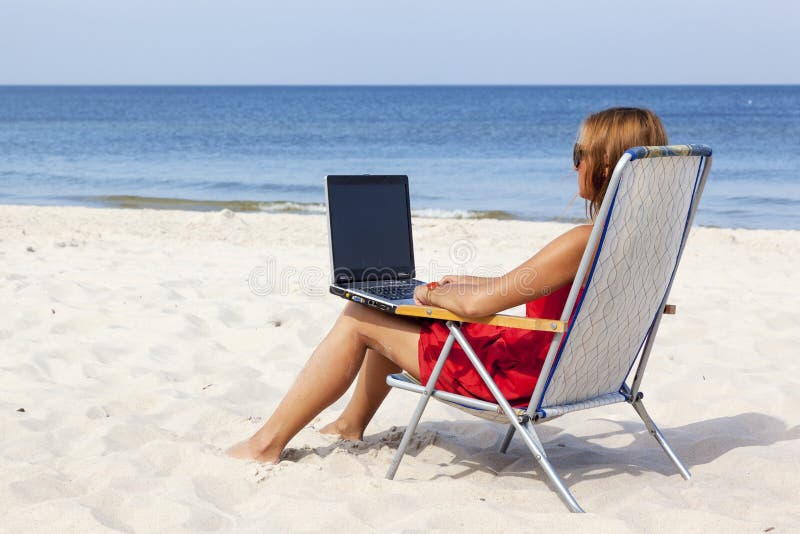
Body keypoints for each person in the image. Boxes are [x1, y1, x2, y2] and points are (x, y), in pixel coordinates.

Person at [227, 107, 669, 463]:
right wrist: (472, 282)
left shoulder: (582, 240)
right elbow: (534, 287)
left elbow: (477, 308)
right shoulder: (642, 240)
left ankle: (265, 444)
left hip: (519, 379)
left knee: (362, 314)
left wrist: (431, 294)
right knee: (387, 314)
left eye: (579, 154)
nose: (574, 165)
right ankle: (348, 425)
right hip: (572, 374)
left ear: (605, 165)